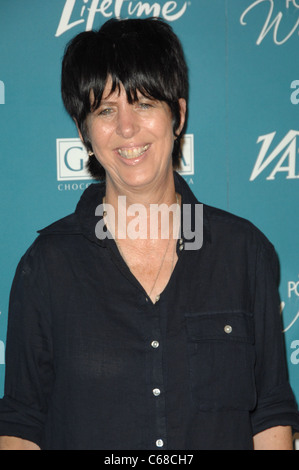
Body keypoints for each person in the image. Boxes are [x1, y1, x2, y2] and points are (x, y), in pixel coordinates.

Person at [0, 17, 298, 451]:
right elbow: (21, 424)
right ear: (85, 133)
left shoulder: (243, 252)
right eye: (105, 111)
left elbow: (270, 415)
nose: (126, 129)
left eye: (142, 104)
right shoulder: (46, 266)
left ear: (177, 115)